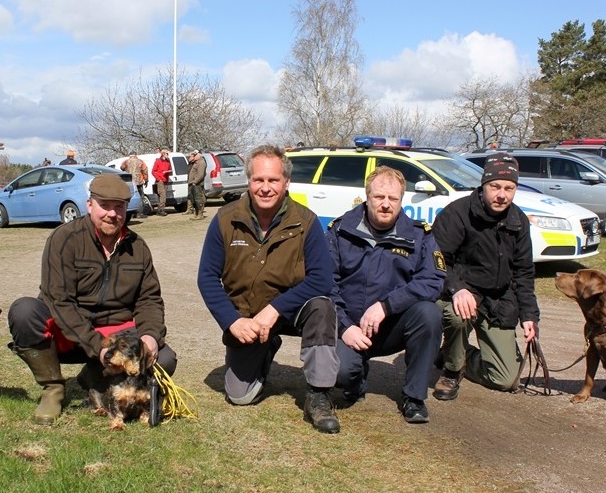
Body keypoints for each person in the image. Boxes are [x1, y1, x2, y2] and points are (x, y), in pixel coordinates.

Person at [7, 173, 177, 425]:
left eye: (119, 207)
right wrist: (98, 346)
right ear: (89, 205)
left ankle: (94, 377)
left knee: (165, 359)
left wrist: (150, 336)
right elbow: (58, 301)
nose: (112, 214)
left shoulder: (138, 247)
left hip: (115, 332)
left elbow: (149, 299)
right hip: (70, 331)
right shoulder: (64, 239)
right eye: (104, 205)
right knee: (24, 311)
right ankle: (53, 388)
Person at [197, 145, 341, 434]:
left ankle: (319, 393)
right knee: (240, 396)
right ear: (248, 181)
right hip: (247, 317)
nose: (265, 188)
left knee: (322, 307)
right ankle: (264, 347)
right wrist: (232, 321)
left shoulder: (307, 221)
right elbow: (207, 277)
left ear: (286, 182)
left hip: (291, 311)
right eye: (258, 180)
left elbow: (322, 279)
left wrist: (274, 310)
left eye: (273, 180)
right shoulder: (226, 220)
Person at [326, 166, 445, 423]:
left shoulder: (419, 235)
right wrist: (345, 326)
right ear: (367, 197)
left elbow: (433, 280)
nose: (385, 204)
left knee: (429, 314)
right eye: (379, 197)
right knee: (339, 372)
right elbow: (325, 284)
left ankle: (413, 398)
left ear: (402, 200)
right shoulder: (339, 230)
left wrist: (386, 306)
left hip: (392, 325)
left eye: (393, 199)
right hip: (350, 327)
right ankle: (355, 378)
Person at [431, 153, 539, 401]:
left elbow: (523, 272)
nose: (502, 194)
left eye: (509, 188)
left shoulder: (518, 220)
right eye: (495, 187)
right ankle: (452, 369)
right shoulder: (457, 213)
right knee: (458, 316)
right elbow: (437, 259)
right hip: (463, 294)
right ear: (483, 185)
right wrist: (457, 288)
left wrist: (530, 316)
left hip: (499, 300)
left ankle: (455, 353)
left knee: (506, 379)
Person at [120, 150, 149, 217]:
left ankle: (131, 212)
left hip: (129, 183)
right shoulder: (140, 161)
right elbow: (145, 170)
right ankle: (140, 213)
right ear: (136, 155)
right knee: (140, 197)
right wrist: (146, 180)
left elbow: (122, 168)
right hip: (139, 182)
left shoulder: (126, 161)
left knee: (130, 197)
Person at [151, 148, 172, 216]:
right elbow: (153, 171)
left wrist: (169, 172)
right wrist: (158, 179)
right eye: (167, 154)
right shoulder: (158, 161)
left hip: (166, 180)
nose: (168, 155)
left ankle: (159, 210)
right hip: (160, 181)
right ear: (163, 154)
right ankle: (162, 210)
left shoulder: (168, 161)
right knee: (162, 195)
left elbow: (170, 169)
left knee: (162, 196)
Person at [187, 149, 207, 220]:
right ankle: (196, 213)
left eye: (195, 155)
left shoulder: (201, 163)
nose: (194, 156)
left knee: (199, 199)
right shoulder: (196, 162)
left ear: (199, 155)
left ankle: (200, 214)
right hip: (193, 184)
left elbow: (200, 175)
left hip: (197, 184)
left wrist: (195, 182)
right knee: (194, 199)